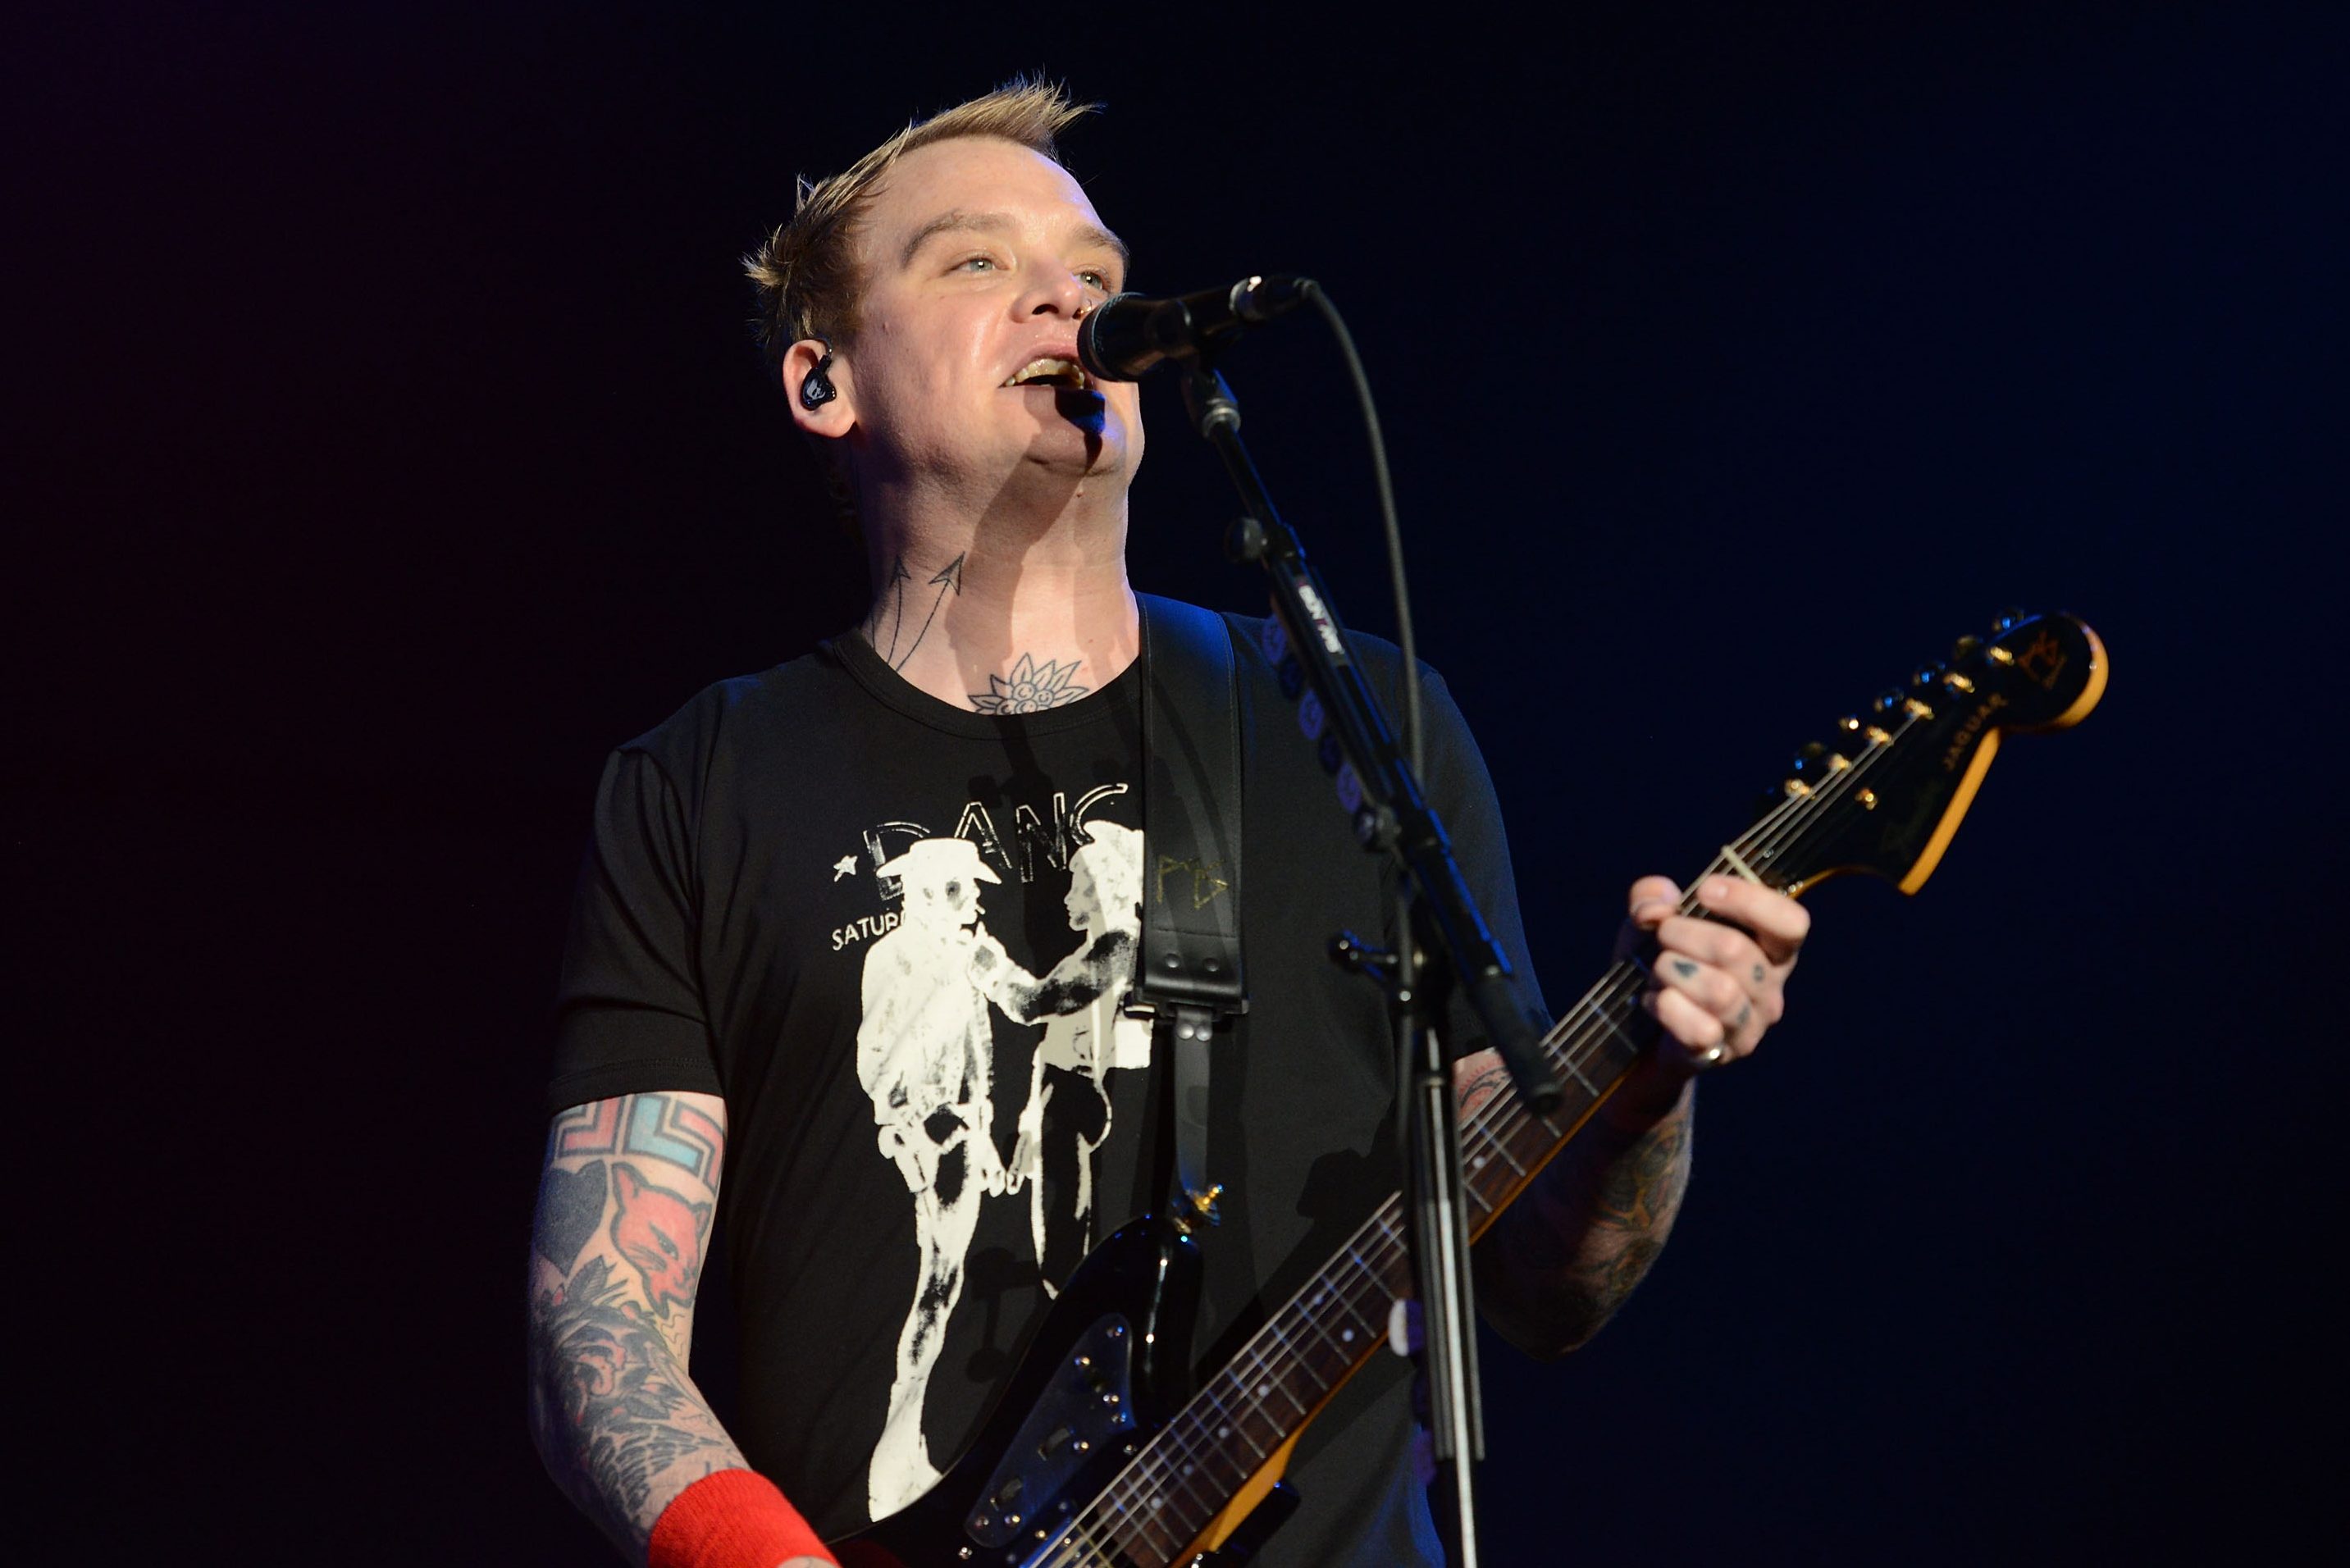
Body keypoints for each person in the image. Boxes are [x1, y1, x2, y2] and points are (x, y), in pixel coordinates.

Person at [526, 81, 1811, 1568]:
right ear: (826, 384)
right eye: (976, 263)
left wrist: (1644, 1090)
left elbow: (1550, 1285)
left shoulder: (1356, 719)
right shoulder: (707, 779)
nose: (1063, 300)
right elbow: (599, 1337)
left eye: (1092, 274)